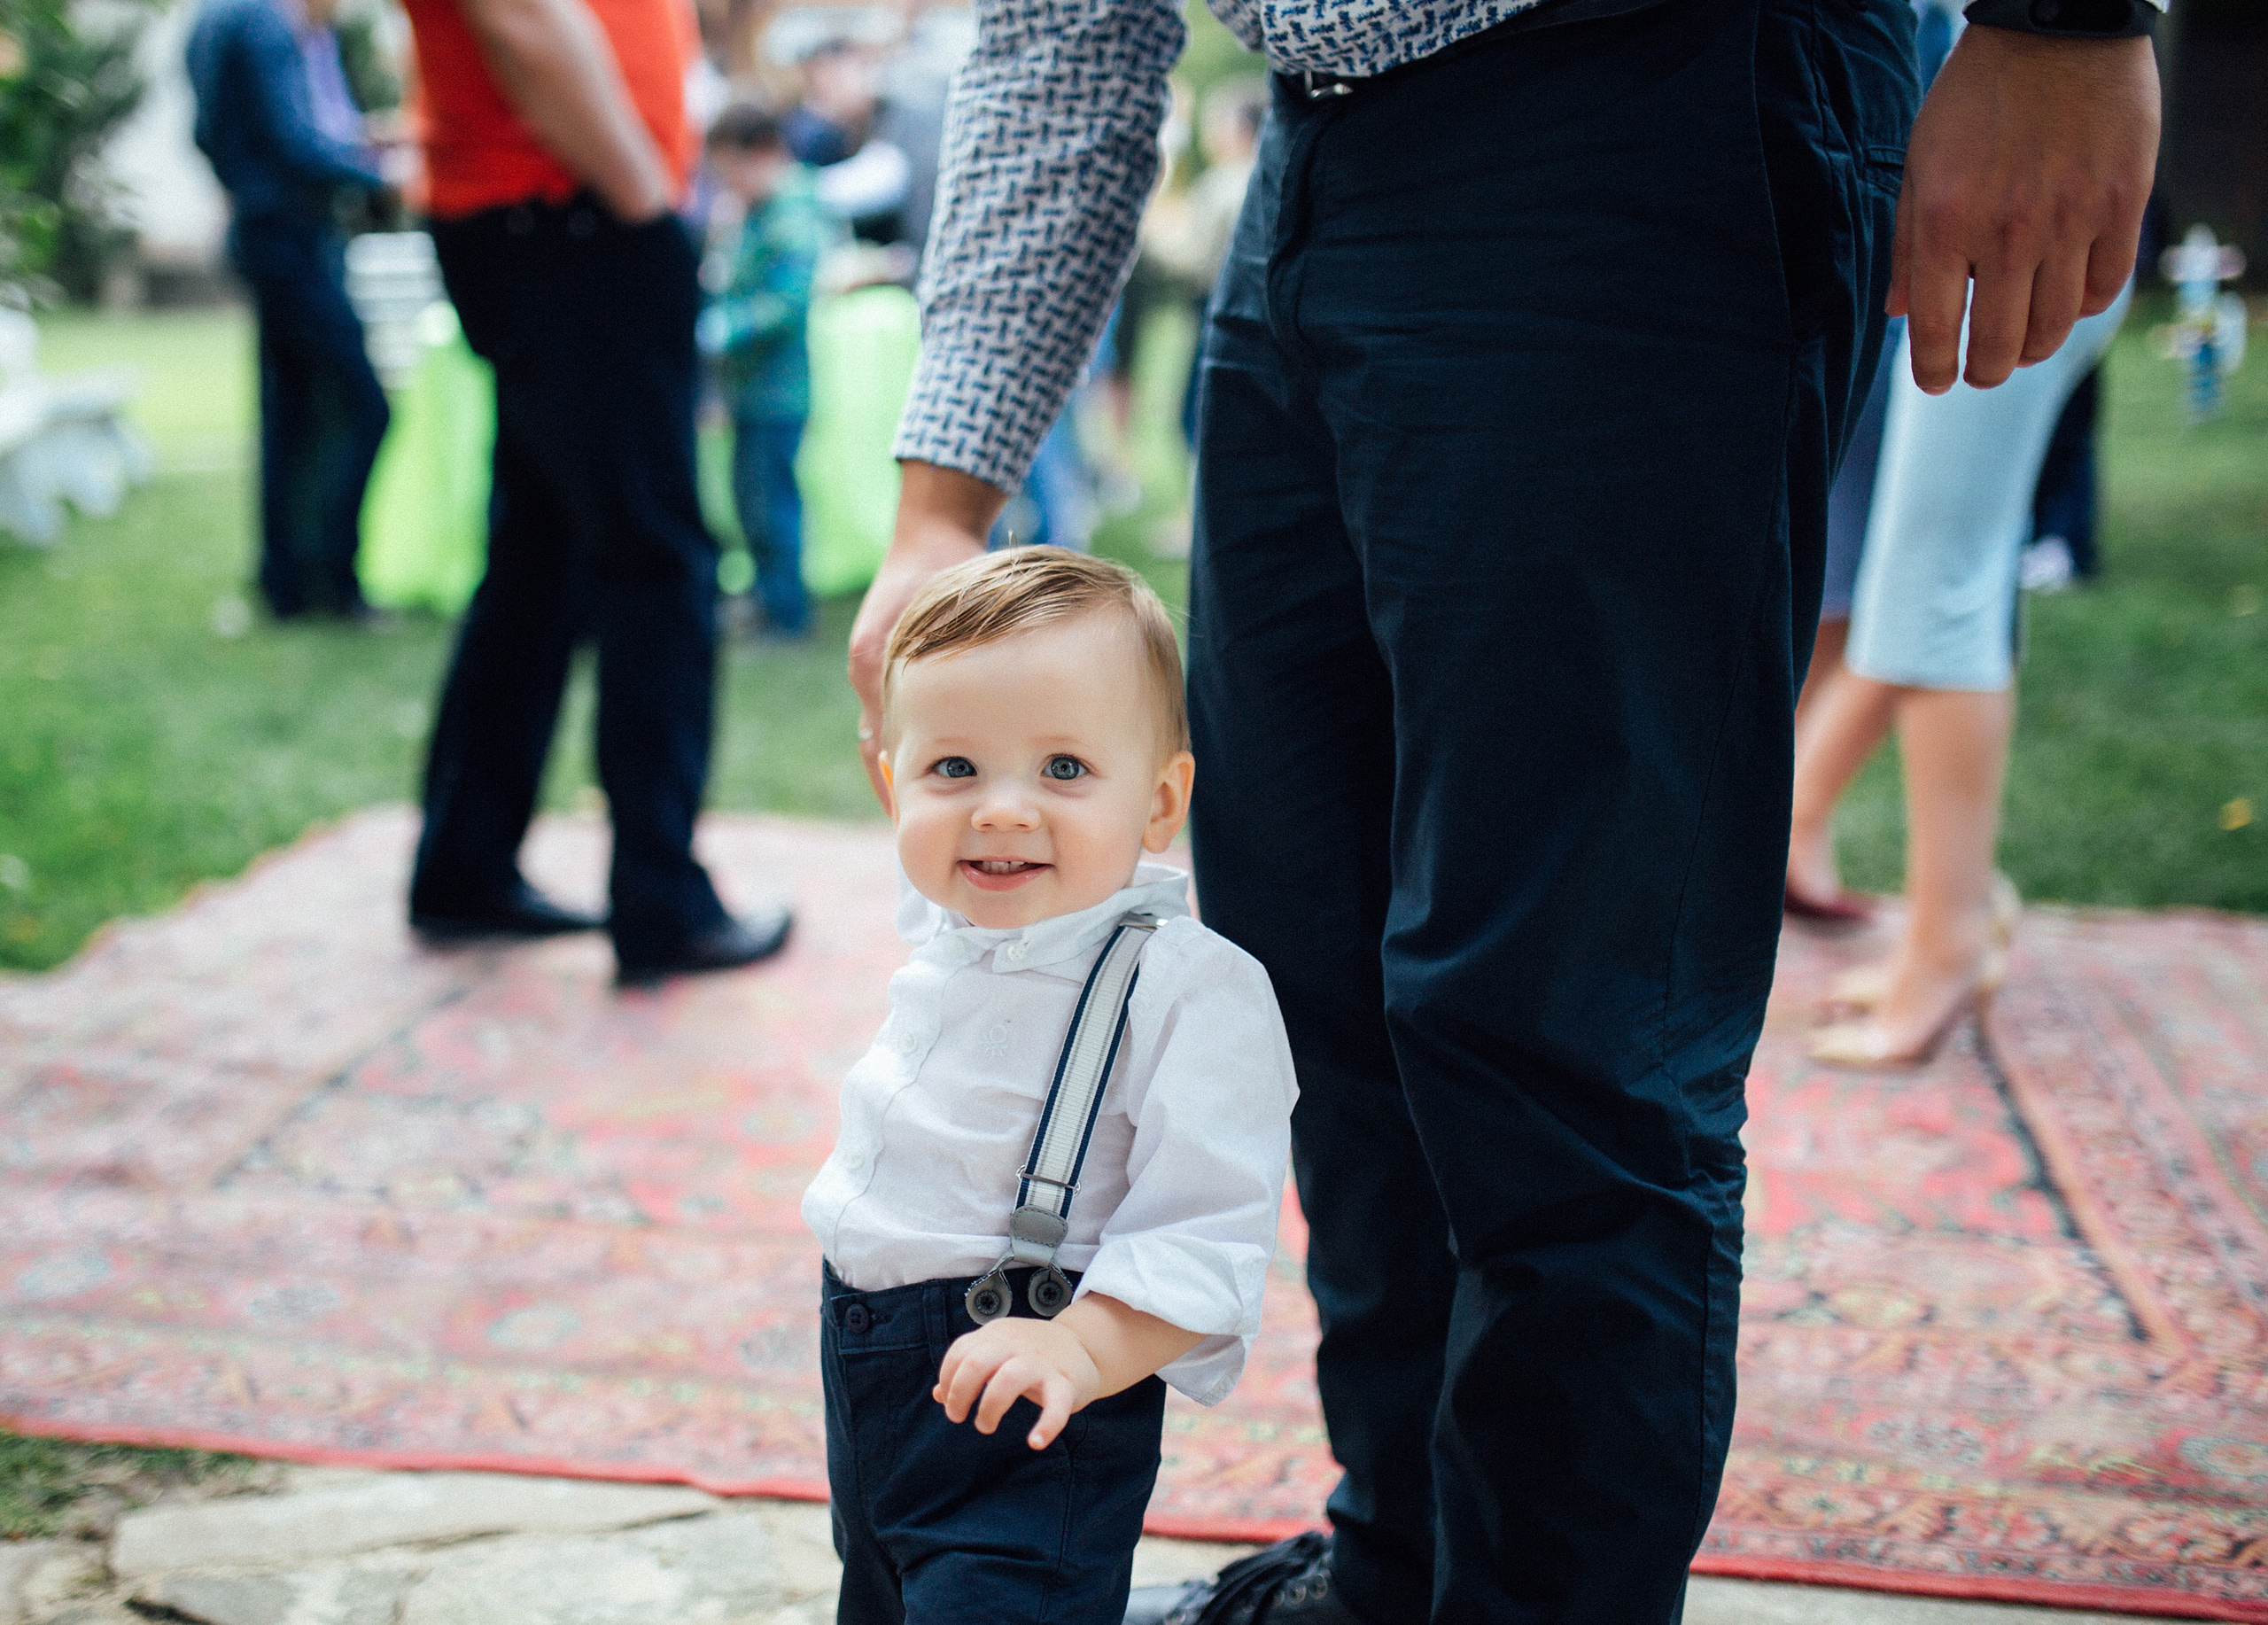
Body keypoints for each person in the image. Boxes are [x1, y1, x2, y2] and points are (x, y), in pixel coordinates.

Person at [844, 0, 2163, 1619]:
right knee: (1307, 961)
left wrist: (2069, 22)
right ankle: (1397, 1573)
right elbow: (1072, 19)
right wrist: (943, 497)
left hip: (1649, 95)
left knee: (1559, 1028)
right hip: (1317, 135)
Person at [805, 547, 1295, 1623]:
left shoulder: (1186, 989)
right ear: (894, 783)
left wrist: (1076, 1345)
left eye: (1065, 769)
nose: (1002, 812)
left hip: (1039, 1392)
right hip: (873, 1373)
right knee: (880, 1591)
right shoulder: (950, 912)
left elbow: (1205, 1231)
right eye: (955, 771)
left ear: (1161, 801)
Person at [395, 0, 790, 982]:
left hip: (548, 210)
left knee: (542, 557)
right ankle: (663, 901)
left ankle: (465, 861)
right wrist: (646, 198)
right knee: (655, 560)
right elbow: (524, 17)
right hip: (573, 212)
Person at [1794, 281, 2132, 1067]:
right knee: (1930, 579)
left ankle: (1948, 944)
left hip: (2000, 246)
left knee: (1937, 583)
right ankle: (1945, 921)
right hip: (1979, 252)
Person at [186, 0, 392, 623]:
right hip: (291, 237)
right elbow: (298, 142)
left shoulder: (218, 17)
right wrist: (384, 174)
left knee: (290, 411)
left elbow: (203, 133)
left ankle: (285, 582)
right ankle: (333, 579)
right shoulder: (266, 23)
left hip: (263, 232)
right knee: (363, 403)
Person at [697, 103, 836, 641]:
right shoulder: (752, 213)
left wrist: (720, 330)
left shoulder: (792, 213)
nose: (726, 183)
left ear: (764, 155)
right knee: (750, 503)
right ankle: (767, 603)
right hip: (749, 393)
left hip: (780, 395)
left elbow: (787, 302)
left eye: (732, 169)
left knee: (772, 505)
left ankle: (787, 614)